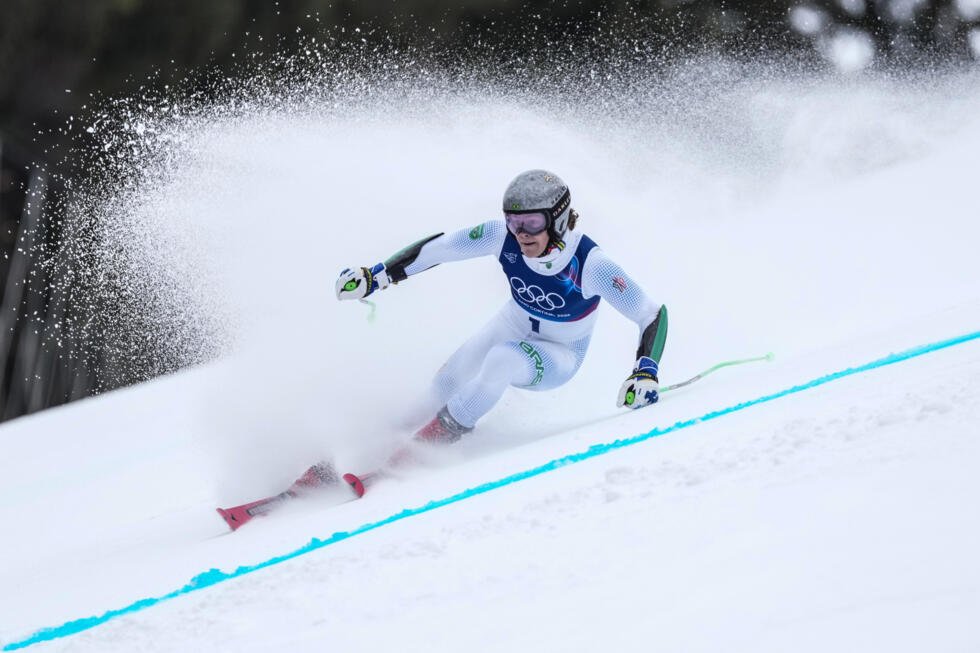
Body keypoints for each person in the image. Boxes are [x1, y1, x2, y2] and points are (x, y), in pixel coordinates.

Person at [335, 169, 668, 445]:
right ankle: (386, 439)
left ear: (559, 220)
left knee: (502, 359)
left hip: (560, 353)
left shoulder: (591, 264)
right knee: (449, 378)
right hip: (513, 323)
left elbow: (651, 313)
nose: (521, 234)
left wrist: (646, 371)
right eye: (513, 222)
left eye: (533, 223)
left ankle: (431, 444)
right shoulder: (502, 237)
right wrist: (377, 276)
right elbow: (441, 248)